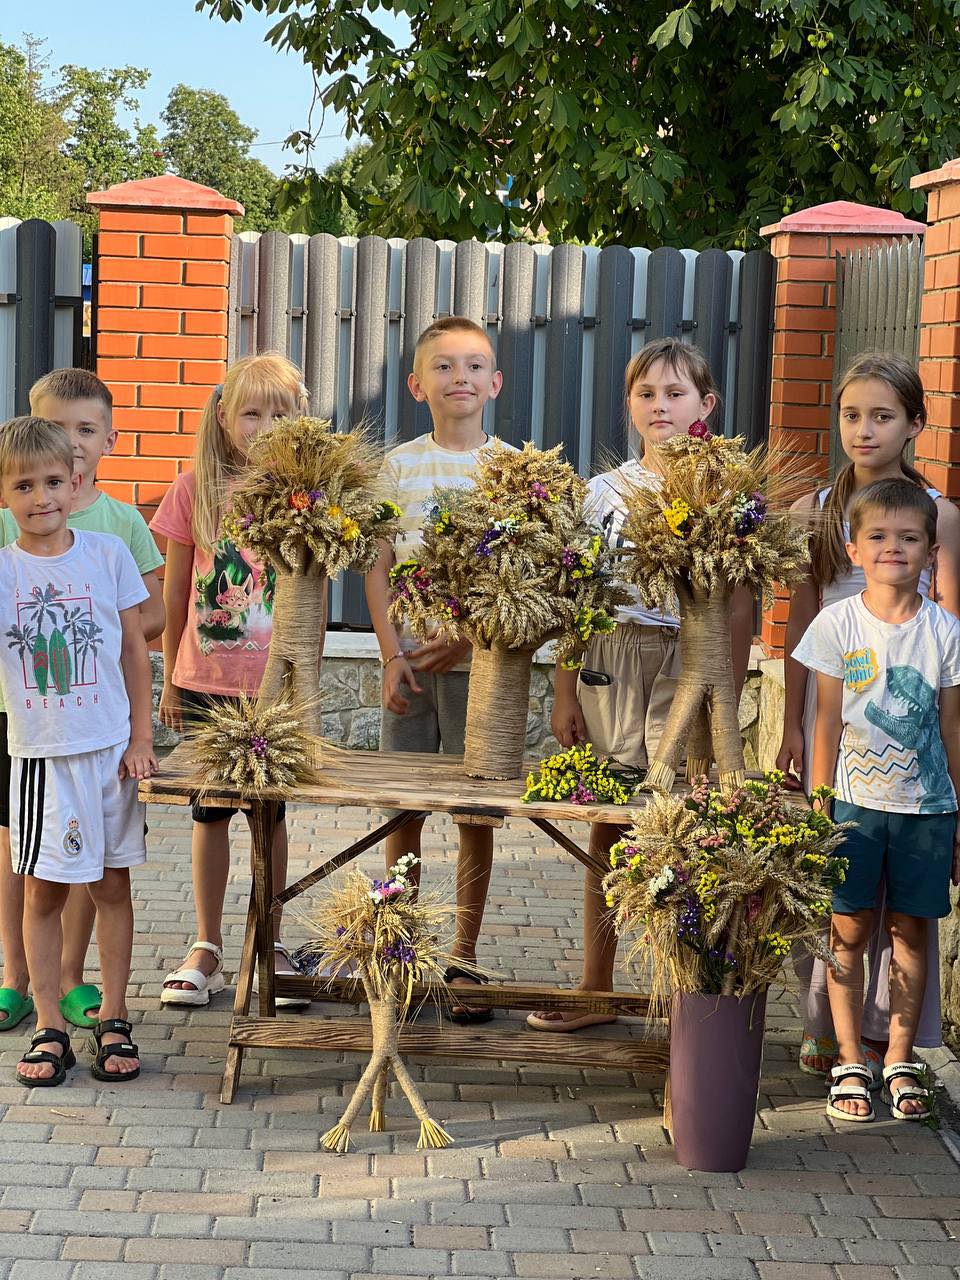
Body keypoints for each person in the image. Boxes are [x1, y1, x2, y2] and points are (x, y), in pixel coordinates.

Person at [528, 338, 754, 1031]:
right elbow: (579, 593)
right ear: (629, 406)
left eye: (676, 393)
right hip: (613, 656)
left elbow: (742, 598)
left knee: (685, 819)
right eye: (647, 395)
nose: (661, 406)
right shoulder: (604, 493)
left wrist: (731, 684)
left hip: (692, 659)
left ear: (706, 406)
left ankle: (687, 990)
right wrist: (566, 689)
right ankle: (597, 986)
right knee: (609, 820)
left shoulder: (730, 491)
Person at [775, 352, 960, 1078]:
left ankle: (896, 1042)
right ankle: (829, 1030)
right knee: (835, 889)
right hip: (836, 726)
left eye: (882, 416)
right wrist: (790, 723)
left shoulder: (938, 512)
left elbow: (947, 632)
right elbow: (797, 625)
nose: (864, 429)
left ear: (914, 425)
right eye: (852, 414)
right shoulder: (815, 511)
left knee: (908, 910)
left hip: (912, 749)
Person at [0, 369, 164, 1036]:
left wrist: (142, 738)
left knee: (113, 886)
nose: (41, 497)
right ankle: (48, 1026)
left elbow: (134, 648)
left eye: (53, 482)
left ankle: (116, 1016)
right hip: (42, 756)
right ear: (5, 494)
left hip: (111, 751)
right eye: (22, 485)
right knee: (43, 889)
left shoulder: (107, 551)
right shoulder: (4, 569)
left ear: (76, 481)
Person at [152, 352, 312, 1007]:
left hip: (274, 688)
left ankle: (268, 939)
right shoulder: (194, 491)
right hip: (205, 683)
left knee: (268, 815)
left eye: (281, 413)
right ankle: (209, 944)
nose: (266, 425)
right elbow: (173, 597)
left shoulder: (307, 500)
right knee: (211, 812)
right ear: (224, 418)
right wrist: (167, 681)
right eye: (252, 411)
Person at [365, 315, 512, 1022]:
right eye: (445, 367)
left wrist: (469, 638)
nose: (461, 377)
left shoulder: (513, 470)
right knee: (405, 809)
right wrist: (392, 654)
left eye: (474, 365)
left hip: (480, 671)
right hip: (412, 669)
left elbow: (525, 575)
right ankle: (401, 948)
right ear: (417, 384)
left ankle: (464, 956)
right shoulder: (396, 466)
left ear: (495, 382)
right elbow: (378, 566)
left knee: (475, 813)